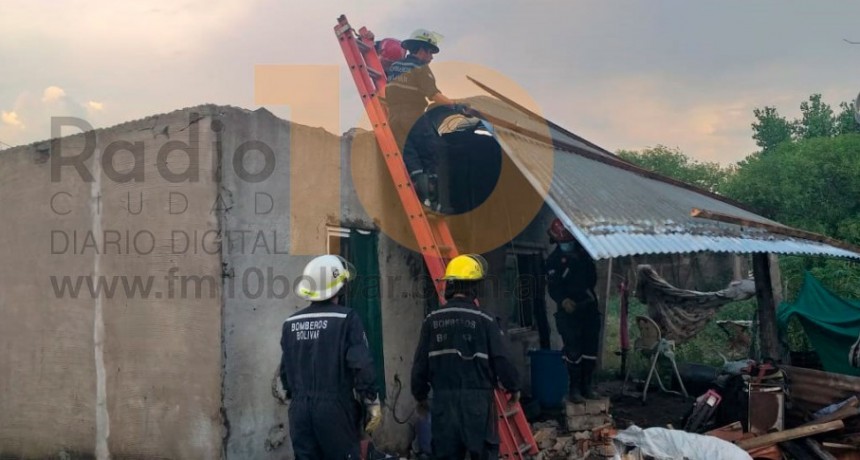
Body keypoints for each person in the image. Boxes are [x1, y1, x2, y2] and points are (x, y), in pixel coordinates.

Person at [411, 254, 520, 459]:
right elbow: (502, 359)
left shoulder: (432, 321)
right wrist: (513, 387)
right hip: (477, 404)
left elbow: (420, 365)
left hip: (443, 402)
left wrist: (420, 396)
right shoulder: (485, 321)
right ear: (474, 287)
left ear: (450, 285)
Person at [279, 255, 382, 459]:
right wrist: (371, 400)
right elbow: (360, 364)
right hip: (334, 410)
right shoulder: (347, 319)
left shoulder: (290, 323)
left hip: (299, 411)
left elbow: (285, 371)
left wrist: (298, 397)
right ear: (341, 287)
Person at [383, 28, 464, 211]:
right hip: (414, 117)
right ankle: (432, 204)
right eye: (431, 52)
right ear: (422, 50)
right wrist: (455, 105)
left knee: (411, 159)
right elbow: (433, 94)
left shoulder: (395, 67)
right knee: (430, 157)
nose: (432, 58)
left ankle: (420, 201)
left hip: (394, 120)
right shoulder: (421, 68)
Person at [544, 218, 601, 404]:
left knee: (590, 349)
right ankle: (574, 388)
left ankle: (587, 386)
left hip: (588, 308)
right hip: (568, 313)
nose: (567, 245)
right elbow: (553, 286)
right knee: (573, 350)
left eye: (569, 242)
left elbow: (592, 279)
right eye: (564, 242)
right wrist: (563, 300)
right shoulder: (553, 261)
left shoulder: (585, 255)